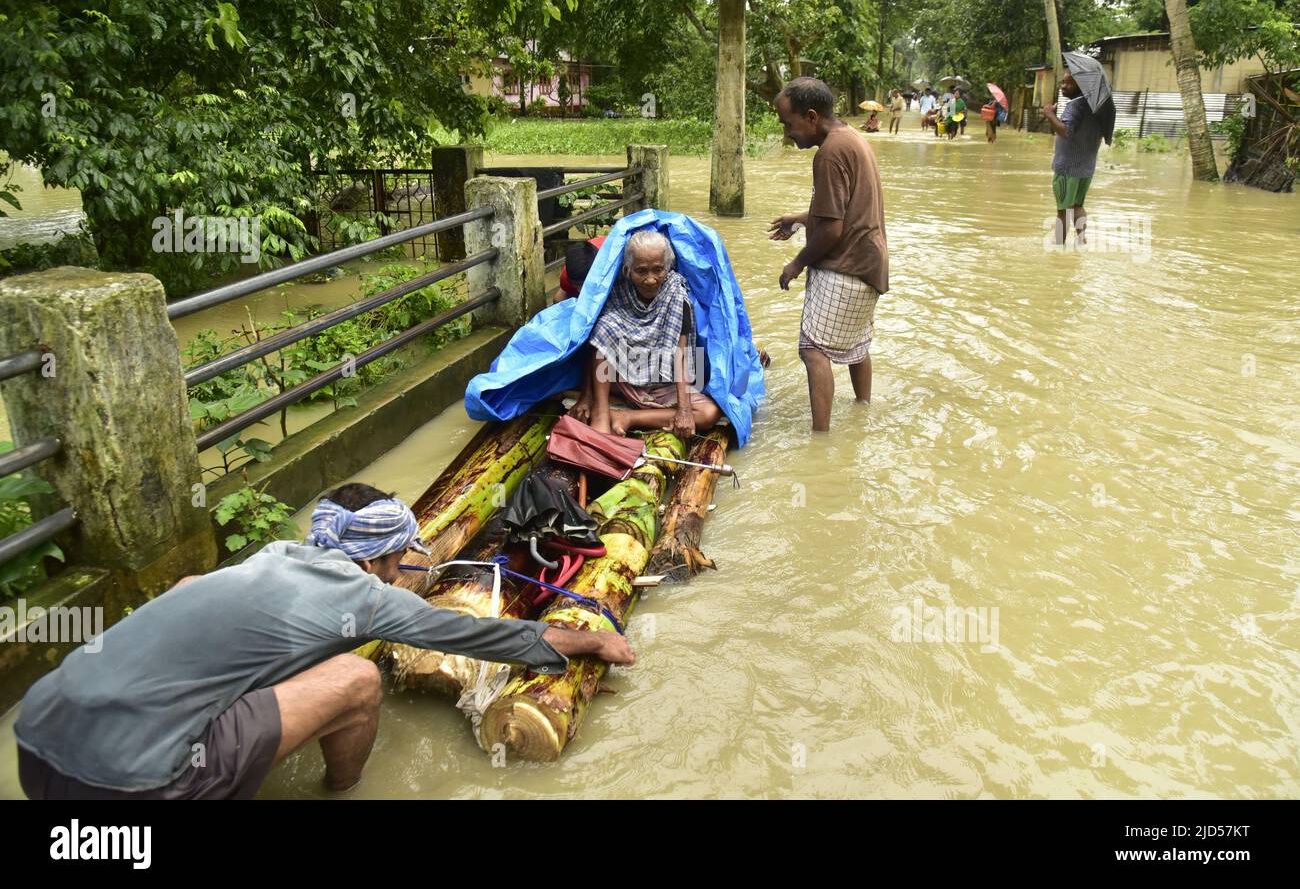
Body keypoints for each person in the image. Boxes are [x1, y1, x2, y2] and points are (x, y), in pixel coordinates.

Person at [13, 485, 634, 799]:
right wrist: (585, 642)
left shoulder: (272, 557)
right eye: (402, 555)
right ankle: (343, 791)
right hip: (134, 785)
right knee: (358, 682)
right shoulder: (367, 596)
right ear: (387, 558)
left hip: (38, 748)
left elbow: (188, 587)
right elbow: (479, 634)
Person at [769, 77, 889, 433]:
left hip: (846, 266)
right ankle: (861, 411)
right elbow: (846, 211)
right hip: (871, 263)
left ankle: (820, 439)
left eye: (788, 124)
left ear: (810, 116)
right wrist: (801, 219)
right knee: (856, 343)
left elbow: (834, 230)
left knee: (813, 350)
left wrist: (796, 263)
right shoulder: (852, 139)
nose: (788, 134)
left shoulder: (828, 153)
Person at [585, 230, 723, 439]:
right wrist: (587, 396)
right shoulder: (618, 291)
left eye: (658, 270)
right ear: (627, 270)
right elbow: (596, 343)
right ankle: (602, 413)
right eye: (641, 271)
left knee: (708, 414)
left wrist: (684, 411)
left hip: (663, 382)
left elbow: (681, 354)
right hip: (624, 378)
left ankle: (629, 418)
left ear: (668, 268)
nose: (650, 280)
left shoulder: (677, 294)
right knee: (604, 326)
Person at [1043, 72, 1114, 246]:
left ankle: (1059, 248)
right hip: (1086, 168)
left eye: (1069, 83)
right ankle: (1081, 241)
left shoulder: (1076, 105)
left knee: (1063, 211)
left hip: (1068, 168)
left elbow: (1066, 130)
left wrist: (1050, 114)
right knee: (1077, 206)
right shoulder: (1097, 108)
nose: (1063, 86)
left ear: (1081, 86)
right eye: (1063, 82)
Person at [553, 237, 603, 304]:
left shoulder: (608, 266)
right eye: (576, 285)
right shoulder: (566, 278)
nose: (579, 290)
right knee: (558, 299)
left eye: (582, 284)